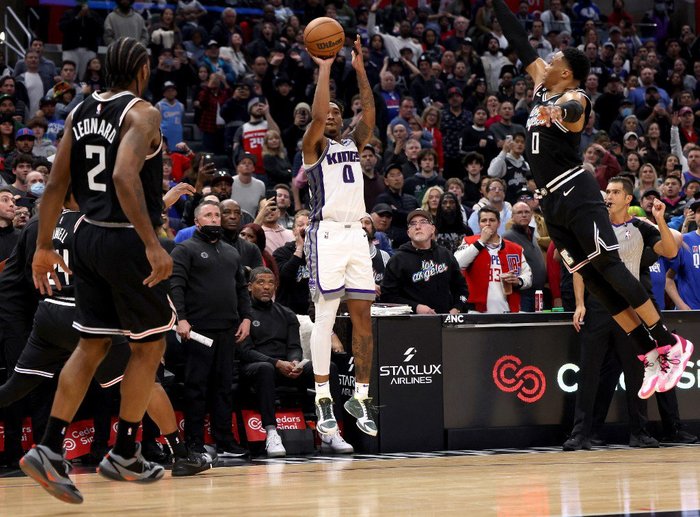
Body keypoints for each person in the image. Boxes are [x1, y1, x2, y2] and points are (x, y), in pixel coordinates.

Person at [493, 0, 693, 400]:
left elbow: (574, 113)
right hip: (551, 203)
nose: (544, 61)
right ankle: (648, 352)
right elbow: (518, 41)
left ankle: (670, 343)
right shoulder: (540, 85)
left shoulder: (576, 96)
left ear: (565, 71)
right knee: (597, 283)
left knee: (610, 267)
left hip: (576, 191)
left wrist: (559, 114)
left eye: (552, 59)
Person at [21, 38, 176, 503]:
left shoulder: (79, 111)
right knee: (149, 347)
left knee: (91, 345)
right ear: (143, 70)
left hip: (86, 236)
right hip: (125, 239)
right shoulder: (143, 113)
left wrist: (44, 246)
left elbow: (54, 184)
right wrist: (153, 244)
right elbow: (126, 177)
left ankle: (49, 446)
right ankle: (126, 449)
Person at [0, 194, 214, 474]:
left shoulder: (40, 224)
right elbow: (118, 268)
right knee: (146, 381)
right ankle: (181, 454)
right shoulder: (93, 225)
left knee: (14, 388)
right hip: (84, 316)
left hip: (48, 313)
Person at [564, 177, 684, 450]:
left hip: (631, 307)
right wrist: (580, 302)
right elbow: (581, 268)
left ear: (628, 199)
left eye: (616, 192)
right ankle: (580, 434)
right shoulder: (594, 227)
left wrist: (661, 220)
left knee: (636, 372)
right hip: (599, 304)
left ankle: (639, 432)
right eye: (608, 191)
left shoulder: (641, 227)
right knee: (589, 371)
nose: (610, 196)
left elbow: (670, 249)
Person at [302, 36, 378, 438]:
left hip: (356, 237)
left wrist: (361, 70)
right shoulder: (312, 146)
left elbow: (369, 112)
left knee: (363, 320)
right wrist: (326, 67)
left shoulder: (353, 142)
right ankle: (322, 396)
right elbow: (315, 116)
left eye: (336, 110)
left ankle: (361, 396)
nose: (330, 114)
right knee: (326, 315)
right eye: (325, 112)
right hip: (326, 234)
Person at [239, 267, 354, 457]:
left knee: (328, 368)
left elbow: (294, 346)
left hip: (285, 366)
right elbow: (245, 352)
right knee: (265, 368)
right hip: (255, 368)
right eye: (260, 282)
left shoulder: (286, 314)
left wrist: (294, 362)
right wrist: (277, 363)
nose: (266, 287)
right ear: (250, 287)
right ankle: (271, 433)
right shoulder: (243, 316)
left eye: (270, 283)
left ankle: (330, 430)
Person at [171, 200, 251, 458]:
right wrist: (180, 319)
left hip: (228, 329)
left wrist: (246, 318)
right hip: (197, 330)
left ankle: (224, 440)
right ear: (197, 221)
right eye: (209, 215)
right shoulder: (184, 250)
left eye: (217, 215)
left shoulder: (231, 252)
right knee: (196, 387)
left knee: (224, 387)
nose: (215, 219)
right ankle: (194, 443)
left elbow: (241, 288)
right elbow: (175, 287)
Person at [381, 209, 469, 314]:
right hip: (411, 323)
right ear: (408, 233)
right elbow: (387, 297)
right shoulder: (397, 260)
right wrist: (415, 307)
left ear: (432, 229)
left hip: (444, 323)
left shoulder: (446, 255)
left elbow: (461, 288)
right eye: (413, 224)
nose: (418, 227)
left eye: (423, 222)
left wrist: (457, 307)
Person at [456, 206, 532, 313]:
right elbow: (457, 263)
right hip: (477, 312)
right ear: (479, 224)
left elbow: (528, 276)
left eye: (492, 220)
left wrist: (518, 281)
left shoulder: (514, 248)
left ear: (499, 223)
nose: (488, 224)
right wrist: (481, 242)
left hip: (507, 311)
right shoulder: (468, 242)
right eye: (483, 221)